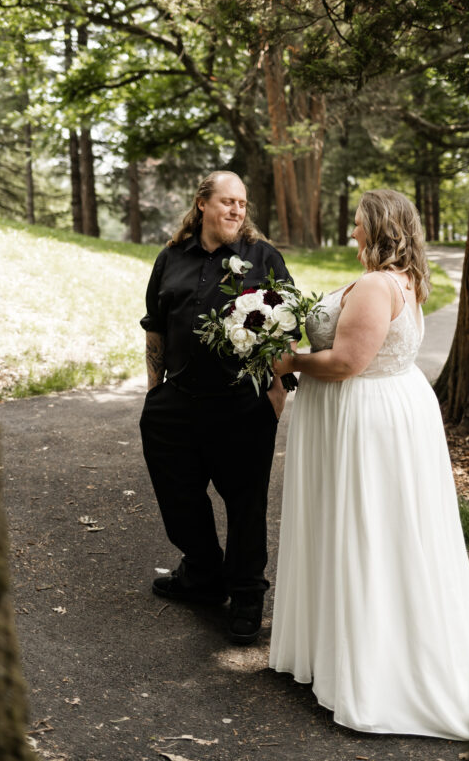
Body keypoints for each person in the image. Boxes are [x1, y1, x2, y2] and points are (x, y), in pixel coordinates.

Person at [269, 189, 469, 739]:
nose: (352, 234)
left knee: (364, 530)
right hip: (382, 410)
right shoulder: (404, 280)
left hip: (361, 417)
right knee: (382, 532)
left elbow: (346, 362)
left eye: (358, 225)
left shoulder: (375, 284)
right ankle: (345, 648)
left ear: (379, 227)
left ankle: (373, 668)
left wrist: (288, 358)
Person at [139, 171, 294, 646]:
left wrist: (276, 395)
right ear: (202, 203)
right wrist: (153, 392)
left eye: (242, 204)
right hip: (177, 403)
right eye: (227, 202)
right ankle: (203, 574)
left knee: (245, 505)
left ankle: (246, 593)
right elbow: (155, 327)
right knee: (179, 497)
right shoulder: (171, 257)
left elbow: (287, 327)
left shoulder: (262, 258)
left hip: (240, 408)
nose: (236, 211)